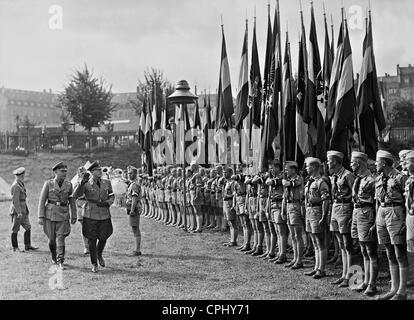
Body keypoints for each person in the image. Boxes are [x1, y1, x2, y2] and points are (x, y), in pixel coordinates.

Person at [374, 150, 409, 300]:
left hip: (396, 212)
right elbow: (377, 200)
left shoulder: (401, 177)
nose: (375, 165)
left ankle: (402, 291)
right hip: (382, 212)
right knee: (389, 251)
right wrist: (377, 219)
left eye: (377, 162)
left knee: (399, 252)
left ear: (383, 163)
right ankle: (393, 288)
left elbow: (408, 201)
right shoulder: (378, 179)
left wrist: (405, 221)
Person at [73, 161, 115, 273]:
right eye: (97, 170)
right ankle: (94, 263)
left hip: (104, 213)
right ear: (92, 172)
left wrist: (108, 203)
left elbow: (111, 195)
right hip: (90, 213)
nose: (100, 171)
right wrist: (81, 183)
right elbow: (75, 195)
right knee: (91, 239)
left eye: (100, 170)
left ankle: (99, 254)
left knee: (103, 236)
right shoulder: (86, 183)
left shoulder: (107, 182)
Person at [38, 162, 77, 269]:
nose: (64, 173)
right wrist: (40, 216)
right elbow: (42, 201)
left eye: (65, 171)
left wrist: (74, 215)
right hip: (50, 215)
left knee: (61, 238)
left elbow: (72, 201)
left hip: (63, 214)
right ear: (55, 172)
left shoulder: (69, 185)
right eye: (62, 171)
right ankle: (54, 256)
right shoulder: (48, 184)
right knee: (51, 239)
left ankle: (60, 260)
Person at [350, 151, 378, 296]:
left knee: (370, 250)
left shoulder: (372, 180)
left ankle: (372, 285)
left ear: (359, 163)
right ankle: (366, 281)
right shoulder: (358, 179)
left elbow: (377, 203)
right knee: (362, 250)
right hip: (357, 212)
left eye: (352, 162)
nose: (350, 165)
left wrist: (375, 222)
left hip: (367, 214)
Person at [327, 150, 356, 288]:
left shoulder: (348, 175)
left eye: (330, 160)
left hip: (345, 208)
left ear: (336, 161)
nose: (328, 163)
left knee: (347, 244)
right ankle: (344, 275)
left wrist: (352, 213)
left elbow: (355, 194)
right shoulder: (334, 176)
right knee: (341, 243)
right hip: (336, 207)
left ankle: (349, 276)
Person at [303, 157, 330, 279]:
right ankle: (316, 267)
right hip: (309, 211)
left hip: (316, 211)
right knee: (314, 241)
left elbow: (325, 200)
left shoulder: (321, 182)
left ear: (313, 167)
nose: (306, 168)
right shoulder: (310, 181)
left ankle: (321, 269)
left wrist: (323, 216)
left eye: (308, 166)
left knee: (320, 241)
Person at [282, 161, 305, 269]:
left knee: (297, 235)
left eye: (287, 169)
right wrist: (283, 210)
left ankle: (299, 260)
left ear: (293, 169)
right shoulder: (288, 180)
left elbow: (291, 184)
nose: (286, 171)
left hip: (296, 206)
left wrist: (285, 182)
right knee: (293, 235)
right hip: (289, 206)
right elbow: (285, 197)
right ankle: (295, 258)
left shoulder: (298, 179)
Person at [10, 167, 38, 252]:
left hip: (24, 209)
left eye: (22, 175)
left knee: (28, 227)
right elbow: (15, 201)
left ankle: (27, 245)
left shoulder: (20, 183)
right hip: (17, 211)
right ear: (17, 176)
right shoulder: (16, 186)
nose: (22, 177)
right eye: (20, 176)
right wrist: (19, 212)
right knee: (15, 228)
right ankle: (15, 247)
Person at [233, 165, 252, 252]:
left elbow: (239, 177)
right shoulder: (237, 179)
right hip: (238, 199)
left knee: (246, 223)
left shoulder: (244, 176)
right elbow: (235, 192)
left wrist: (236, 175)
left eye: (240, 168)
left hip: (244, 199)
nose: (238, 169)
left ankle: (247, 243)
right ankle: (244, 243)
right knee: (243, 224)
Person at [126, 166, 143, 256]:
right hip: (132, 207)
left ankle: (137, 250)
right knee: (134, 228)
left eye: (131, 173)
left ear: (135, 174)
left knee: (135, 228)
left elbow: (134, 198)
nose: (129, 175)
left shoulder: (135, 184)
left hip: (134, 208)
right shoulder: (132, 183)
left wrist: (132, 209)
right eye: (128, 173)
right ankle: (137, 249)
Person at [404, 150, 414, 289]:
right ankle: (412, 277)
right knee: (411, 246)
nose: (404, 164)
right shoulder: (409, 180)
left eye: (408, 161)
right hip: (410, 216)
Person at [74, 166, 90, 254]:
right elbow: (75, 194)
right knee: (84, 227)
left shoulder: (90, 182)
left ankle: (91, 245)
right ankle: (86, 246)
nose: (83, 174)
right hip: (80, 204)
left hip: (88, 203)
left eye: (84, 172)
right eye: (81, 173)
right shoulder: (77, 182)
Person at [222, 166, 238, 246]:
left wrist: (233, 204)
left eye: (226, 172)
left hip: (230, 202)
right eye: (224, 172)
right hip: (226, 202)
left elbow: (234, 194)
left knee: (232, 222)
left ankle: (233, 241)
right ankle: (232, 239)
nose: (224, 174)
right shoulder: (226, 182)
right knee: (229, 222)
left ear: (231, 173)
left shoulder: (233, 182)